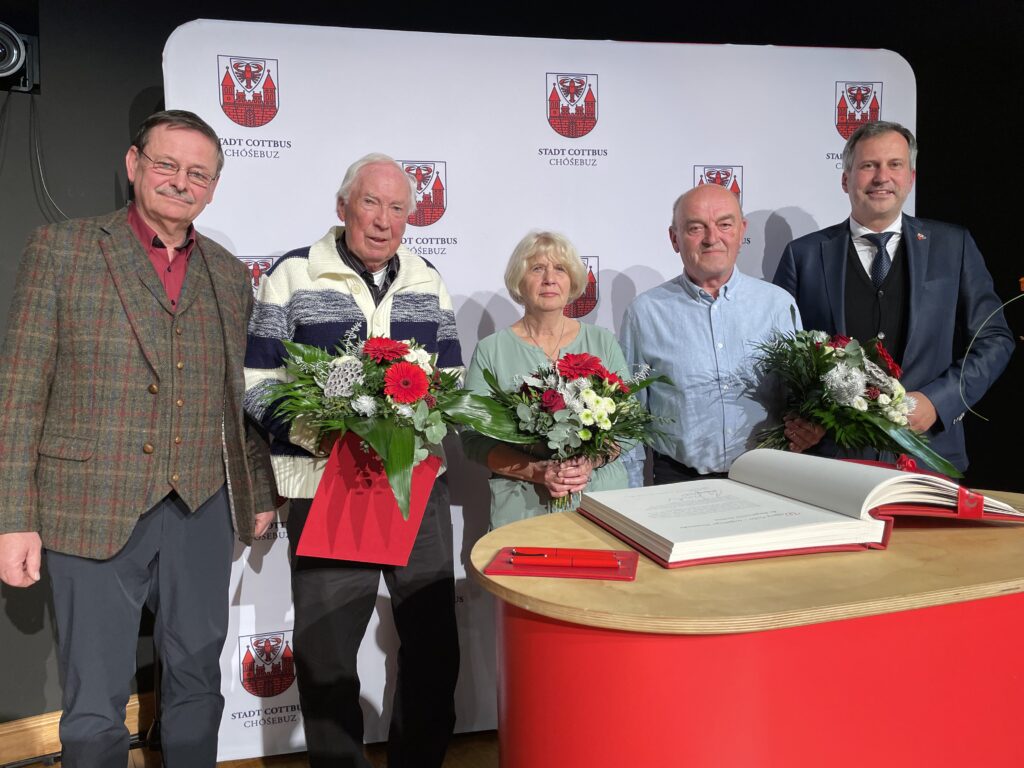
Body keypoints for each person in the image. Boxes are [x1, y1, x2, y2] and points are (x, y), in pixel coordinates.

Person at [0, 110, 278, 767]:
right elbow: (19, 392)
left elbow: (239, 400)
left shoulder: (230, 274)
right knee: (95, 696)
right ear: (133, 165)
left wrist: (259, 489)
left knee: (195, 677)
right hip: (87, 502)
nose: (181, 182)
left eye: (198, 174)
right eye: (167, 165)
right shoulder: (63, 249)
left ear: (212, 189)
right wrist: (13, 517)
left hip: (203, 505)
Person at [243, 153, 461, 768]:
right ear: (343, 207)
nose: (384, 220)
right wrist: (326, 437)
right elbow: (258, 382)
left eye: (398, 208)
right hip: (324, 485)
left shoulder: (427, 278)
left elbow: (450, 379)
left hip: (415, 488)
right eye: (371, 203)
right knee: (328, 655)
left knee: (433, 648)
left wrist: (417, 425)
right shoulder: (291, 276)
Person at [773, 120, 1014, 472]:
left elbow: (994, 340)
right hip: (830, 459)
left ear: (910, 178)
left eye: (894, 165)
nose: (881, 177)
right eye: (868, 165)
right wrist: (805, 416)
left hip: (928, 456)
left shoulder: (954, 246)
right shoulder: (804, 255)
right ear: (846, 179)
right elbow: (780, 354)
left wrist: (938, 401)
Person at [620, 183, 821, 486]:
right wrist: (630, 497)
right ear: (675, 239)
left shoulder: (778, 305)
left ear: (742, 231)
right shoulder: (645, 313)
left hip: (769, 481)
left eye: (724, 225)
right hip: (678, 484)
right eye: (695, 228)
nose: (712, 238)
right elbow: (629, 419)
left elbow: (800, 400)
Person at [461, 231, 629, 528]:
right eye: (537, 268)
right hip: (522, 508)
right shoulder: (492, 350)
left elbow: (629, 427)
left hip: (600, 503)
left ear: (573, 280)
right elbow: (474, 440)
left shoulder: (603, 343)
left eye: (560, 269)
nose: (550, 278)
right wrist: (537, 471)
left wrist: (591, 462)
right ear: (519, 280)